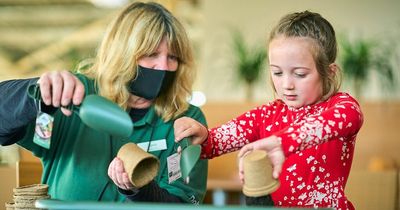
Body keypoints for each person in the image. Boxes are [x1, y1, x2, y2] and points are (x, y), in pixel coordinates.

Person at [0, 2, 208, 203]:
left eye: (173, 57)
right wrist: (37, 92)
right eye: (151, 54)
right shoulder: (74, 99)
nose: (163, 66)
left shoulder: (185, 120)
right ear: (122, 54)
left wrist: (141, 189)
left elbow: (183, 202)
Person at [174, 11, 363, 209]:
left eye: (300, 74)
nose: (287, 84)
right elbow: (216, 140)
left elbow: (347, 118)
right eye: (277, 72)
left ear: (329, 73)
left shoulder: (341, 107)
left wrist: (283, 142)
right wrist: (203, 135)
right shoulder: (267, 115)